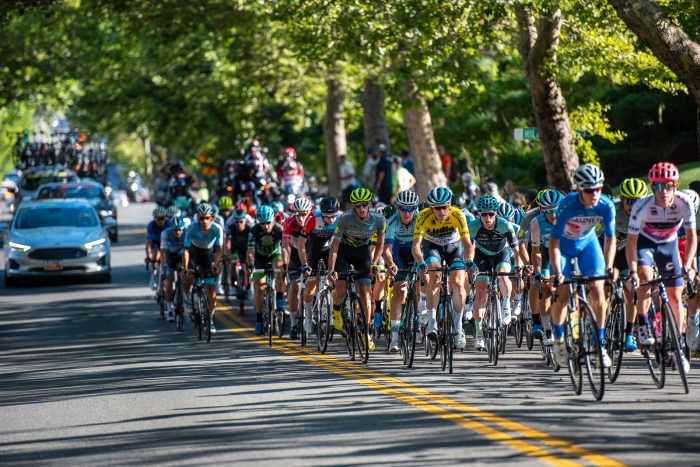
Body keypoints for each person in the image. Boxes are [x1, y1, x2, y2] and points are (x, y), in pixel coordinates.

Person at [626, 162, 696, 374]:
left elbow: (692, 237)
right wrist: (632, 269)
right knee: (645, 276)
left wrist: (687, 265)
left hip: (669, 245)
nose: (663, 191)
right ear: (652, 187)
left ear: (675, 185)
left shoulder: (684, 202)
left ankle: (677, 349)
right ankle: (643, 321)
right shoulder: (641, 207)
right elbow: (630, 243)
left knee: (675, 297)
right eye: (658, 186)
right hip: (645, 244)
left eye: (668, 185)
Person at [550, 164, 616, 370]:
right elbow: (553, 243)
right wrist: (558, 273)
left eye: (598, 188)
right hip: (564, 247)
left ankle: (599, 344)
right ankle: (559, 340)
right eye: (589, 190)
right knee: (562, 295)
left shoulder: (606, 206)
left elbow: (610, 239)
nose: (595, 194)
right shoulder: (567, 205)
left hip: (588, 245)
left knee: (598, 290)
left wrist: (609, 267)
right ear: (579, 189)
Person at [412, 187, 474, 349]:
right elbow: (416, 246)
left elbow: (468, 244)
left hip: (453, 247)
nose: (441, 211)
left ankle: (459, 328)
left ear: (450, 205)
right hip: (432, 246)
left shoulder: (457, 215)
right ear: (430, 207)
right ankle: (432, 323)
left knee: (459, 283)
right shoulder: (423, 216)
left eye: (444, 207)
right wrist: (420, 261)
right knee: (435, 276)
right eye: (437, 208)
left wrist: (469, 261)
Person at [328, 188, 387, 352]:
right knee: (340, 290)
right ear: (353, 206)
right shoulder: (344, 218)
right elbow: (334, 246)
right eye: (357, 205)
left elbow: (380, 245)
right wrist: (331, 269)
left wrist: (375, 263)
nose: (361, 208)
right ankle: (337, 310)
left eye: (364, 205)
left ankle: (366, 333)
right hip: (343, 253)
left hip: (362, 254)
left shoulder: (379, 219)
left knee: (366, 295)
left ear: (369, 204)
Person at [468, 196, 522, 350]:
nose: (487, 218)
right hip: (482, 255)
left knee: (503, 276)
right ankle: (479, 333)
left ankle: (506, 305)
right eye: (483, 214)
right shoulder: (473, 226)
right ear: (479, 214)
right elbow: (469, 248)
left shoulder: (505, 225)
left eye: (490, 214)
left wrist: (518, 266)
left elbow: (516, 252)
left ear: (496, 213)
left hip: (501, 253)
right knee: (480, 292)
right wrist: (470, 263)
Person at [383, 190, 421, 352]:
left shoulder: (421, 219)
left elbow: (425, 246)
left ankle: (419, 326)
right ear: (397, 208)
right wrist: (391, 264)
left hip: (417, 250)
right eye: (403, 209)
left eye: (410, 208)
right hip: (399, 253)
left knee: (422, 286)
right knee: (399, 291)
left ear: (415, 208)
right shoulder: (392, 221)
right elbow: (387, 250)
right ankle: (395, 338)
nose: (407, 213)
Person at [299, 197, 341, 334]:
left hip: (328, 249)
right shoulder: (312, 218)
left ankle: (333, 310)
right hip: (312, 250)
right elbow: (301, 243)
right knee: (310, 287)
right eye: (328, 217)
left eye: (334, 216)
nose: (331, 220)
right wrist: (304, 264)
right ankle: (309, 316)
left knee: (334, 279)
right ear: (322, 213)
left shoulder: (341, 218)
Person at [183, 203, 224, 334]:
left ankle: (211, 320)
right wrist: (185, 267)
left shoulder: (217, 228)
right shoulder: (191, 228)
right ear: (197, 218)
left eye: (207, 218)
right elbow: (186, 250)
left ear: (212, 217)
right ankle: (187, 297)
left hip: (209, 255)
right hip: (194, 254)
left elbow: (220, 249)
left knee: (211, 288)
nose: (204, 221)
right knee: (189, 276)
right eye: (201, 218)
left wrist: (216, 264)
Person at [529, 190, 564, 343]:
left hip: (566, 252)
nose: (553, 214)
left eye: (556, 209)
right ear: (542, 209)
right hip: (547, 254)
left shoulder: (569, 218)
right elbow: (536, 251)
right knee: (546, 288)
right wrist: (537, 271)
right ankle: (548, 330)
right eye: (549, 211)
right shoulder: (536, 222)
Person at [247, 205, 285, 335]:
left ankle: (279, 297)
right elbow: (250, 251)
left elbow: (285, 247)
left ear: (273, 219)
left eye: (268, 223)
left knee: (280, 267)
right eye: (262, 223)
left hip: (274, 255)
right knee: (259, 287)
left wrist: (285, 263)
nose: (266, 226)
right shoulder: (254, 231)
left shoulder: (279, 229)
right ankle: (258, 320)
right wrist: (251, 264)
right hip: (259, 258)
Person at [282, 197, 314, 340]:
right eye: (297, 214)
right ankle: (294, 324)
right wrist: (285, 263)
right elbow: (284, 246)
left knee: (314, 285)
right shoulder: (289, 221)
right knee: (294, 286)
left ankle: (314, 312)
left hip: (312, 252)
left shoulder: (315, 218)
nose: (300, 218)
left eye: (304, 214)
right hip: (295, 253)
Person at [160, 216, 186, 321]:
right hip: (170, 256)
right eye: (175, 230)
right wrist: (164, 264)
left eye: (180, 230)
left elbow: (189, 250)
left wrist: (185, 265)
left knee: (184, 277)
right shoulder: (165, 233)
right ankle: (170, 310)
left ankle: (184, 300)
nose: (178, 232)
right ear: (171, 229)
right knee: (169, 279)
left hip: (182, 256)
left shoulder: (187, 233)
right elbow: (162, 252)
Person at [227, 208, 253, 299]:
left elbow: (253, 245)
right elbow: (228, 243)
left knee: (249, 266)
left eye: (241, 222)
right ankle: (233, 286)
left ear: (245, 221)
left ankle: (249, 288)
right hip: (235, 249)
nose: (238, 224)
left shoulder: (250, 229)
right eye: (236, 222)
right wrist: (229, 255)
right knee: (233, 263)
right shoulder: (230, 228)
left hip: (246, 249)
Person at [146, 206, 169, 291]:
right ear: (154, 218)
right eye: (157, 219)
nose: (159, 221)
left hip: (166, 244)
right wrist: (148, 256)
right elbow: (148, 243)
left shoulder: (168, 225)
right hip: (156, 243)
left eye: (162, 219)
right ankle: (154, 276)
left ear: (165, 218)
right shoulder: (151, 226)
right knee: (156, 255)